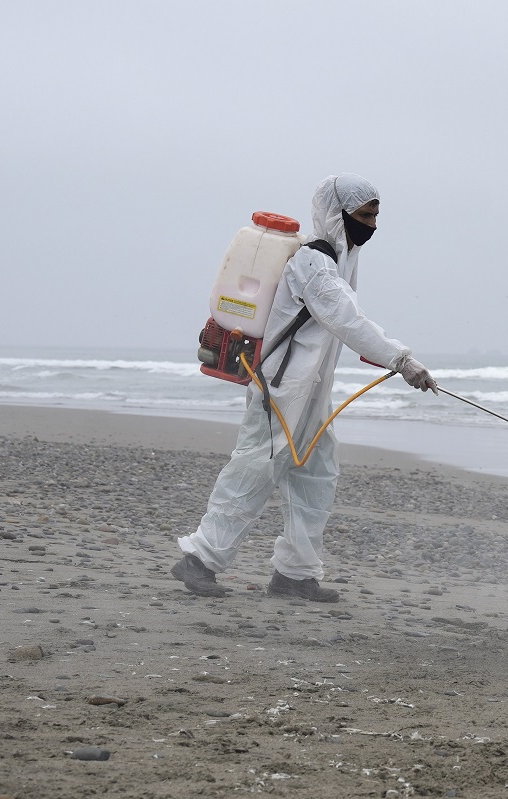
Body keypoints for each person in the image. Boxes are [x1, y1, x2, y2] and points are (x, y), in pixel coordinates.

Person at [172, 174, 436, 602]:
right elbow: (347, 320)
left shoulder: (340, 260)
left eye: (375, 215)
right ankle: (199, 559)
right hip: (278, 390)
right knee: (254, 470)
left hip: (310, 392)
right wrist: (402, 360)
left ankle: (294, 574)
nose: (372, 225)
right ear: (338, 213)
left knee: (315, 475)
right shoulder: (313, 261)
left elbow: (343, 323)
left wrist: (396, 359)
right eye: (364, 215)